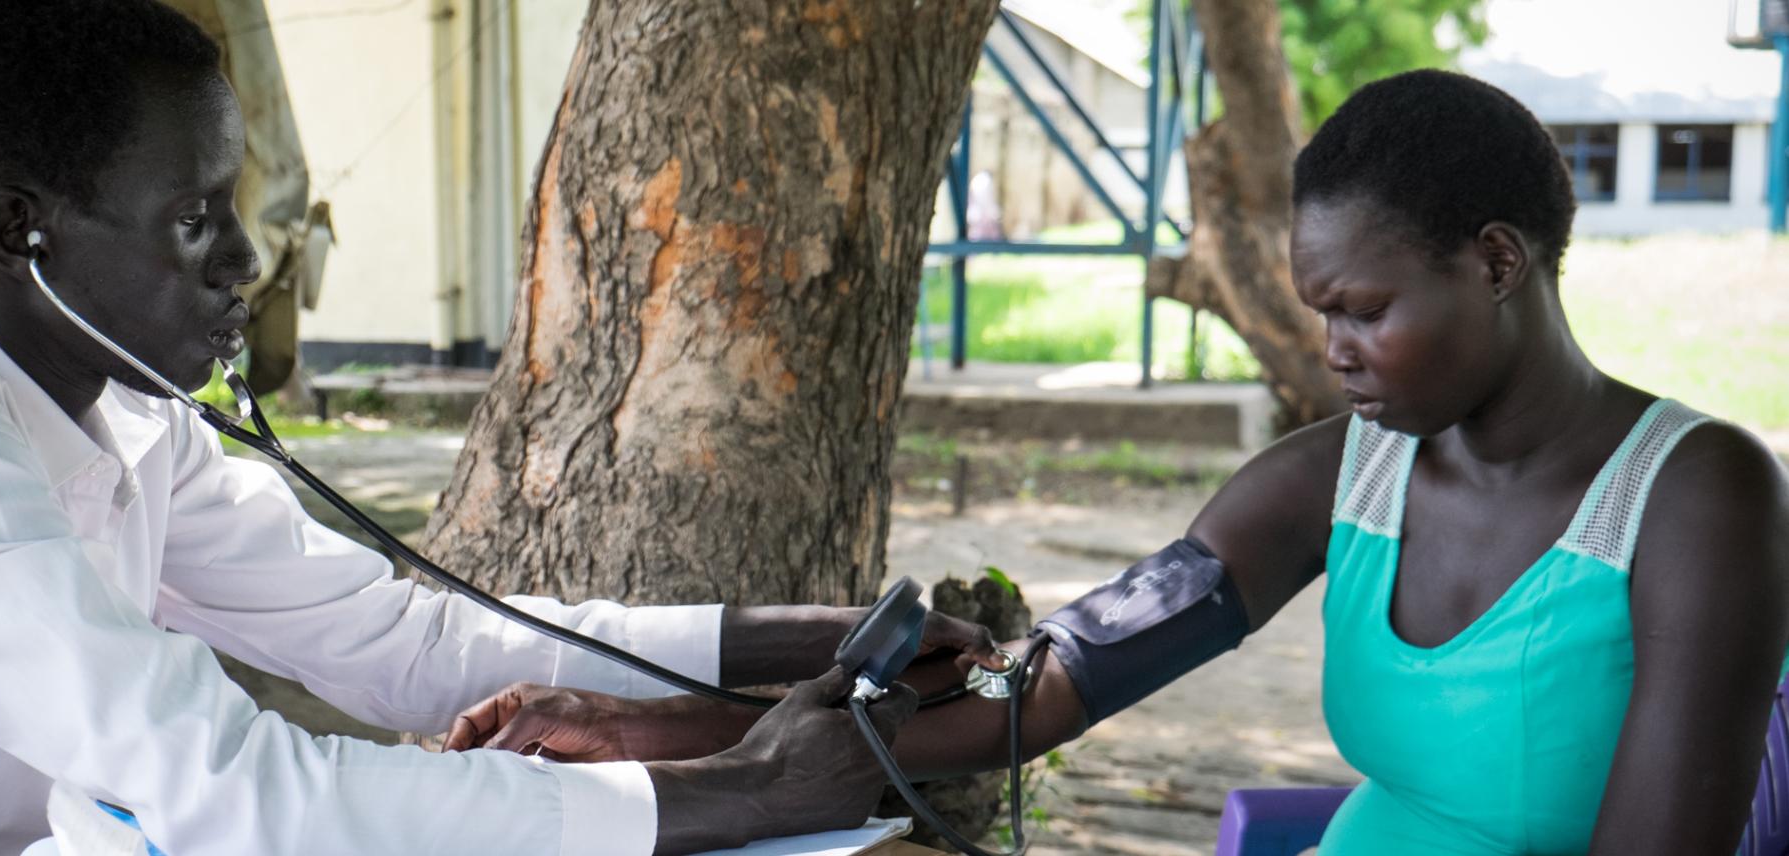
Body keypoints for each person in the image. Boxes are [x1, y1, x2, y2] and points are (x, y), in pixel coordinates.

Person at [449, 70, 1789, 853]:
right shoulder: (1337, 478)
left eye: (1365, 311)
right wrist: (659, 740)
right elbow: (1050, 684)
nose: (1334, 350)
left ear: (1496, 263)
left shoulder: (1697, 497)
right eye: (1320, 313)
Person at [0, 2, 999, 854]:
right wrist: (746, 788)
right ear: (17, 233)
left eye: (232, 204)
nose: (245, 258)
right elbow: (231, 785)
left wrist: (808, 637)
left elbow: (402, 642)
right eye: (193, 219)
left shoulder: (127, 413)